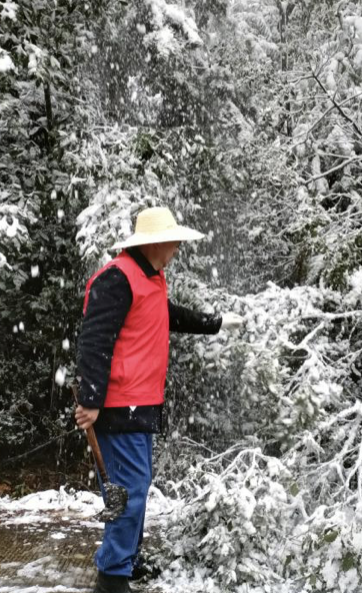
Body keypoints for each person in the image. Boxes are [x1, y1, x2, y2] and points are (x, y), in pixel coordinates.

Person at [74, 206, 244, 593]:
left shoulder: (150, 278)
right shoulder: (117, 278)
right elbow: (94, 340)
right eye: (175, 241)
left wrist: (214, 323)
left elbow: (163, 315)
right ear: (156, 242)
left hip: (141, 403)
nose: (179, 248)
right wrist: (91, 398)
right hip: (117, 405)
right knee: (126, 490)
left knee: (134, 486)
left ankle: (125, 559)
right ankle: (112, 576)